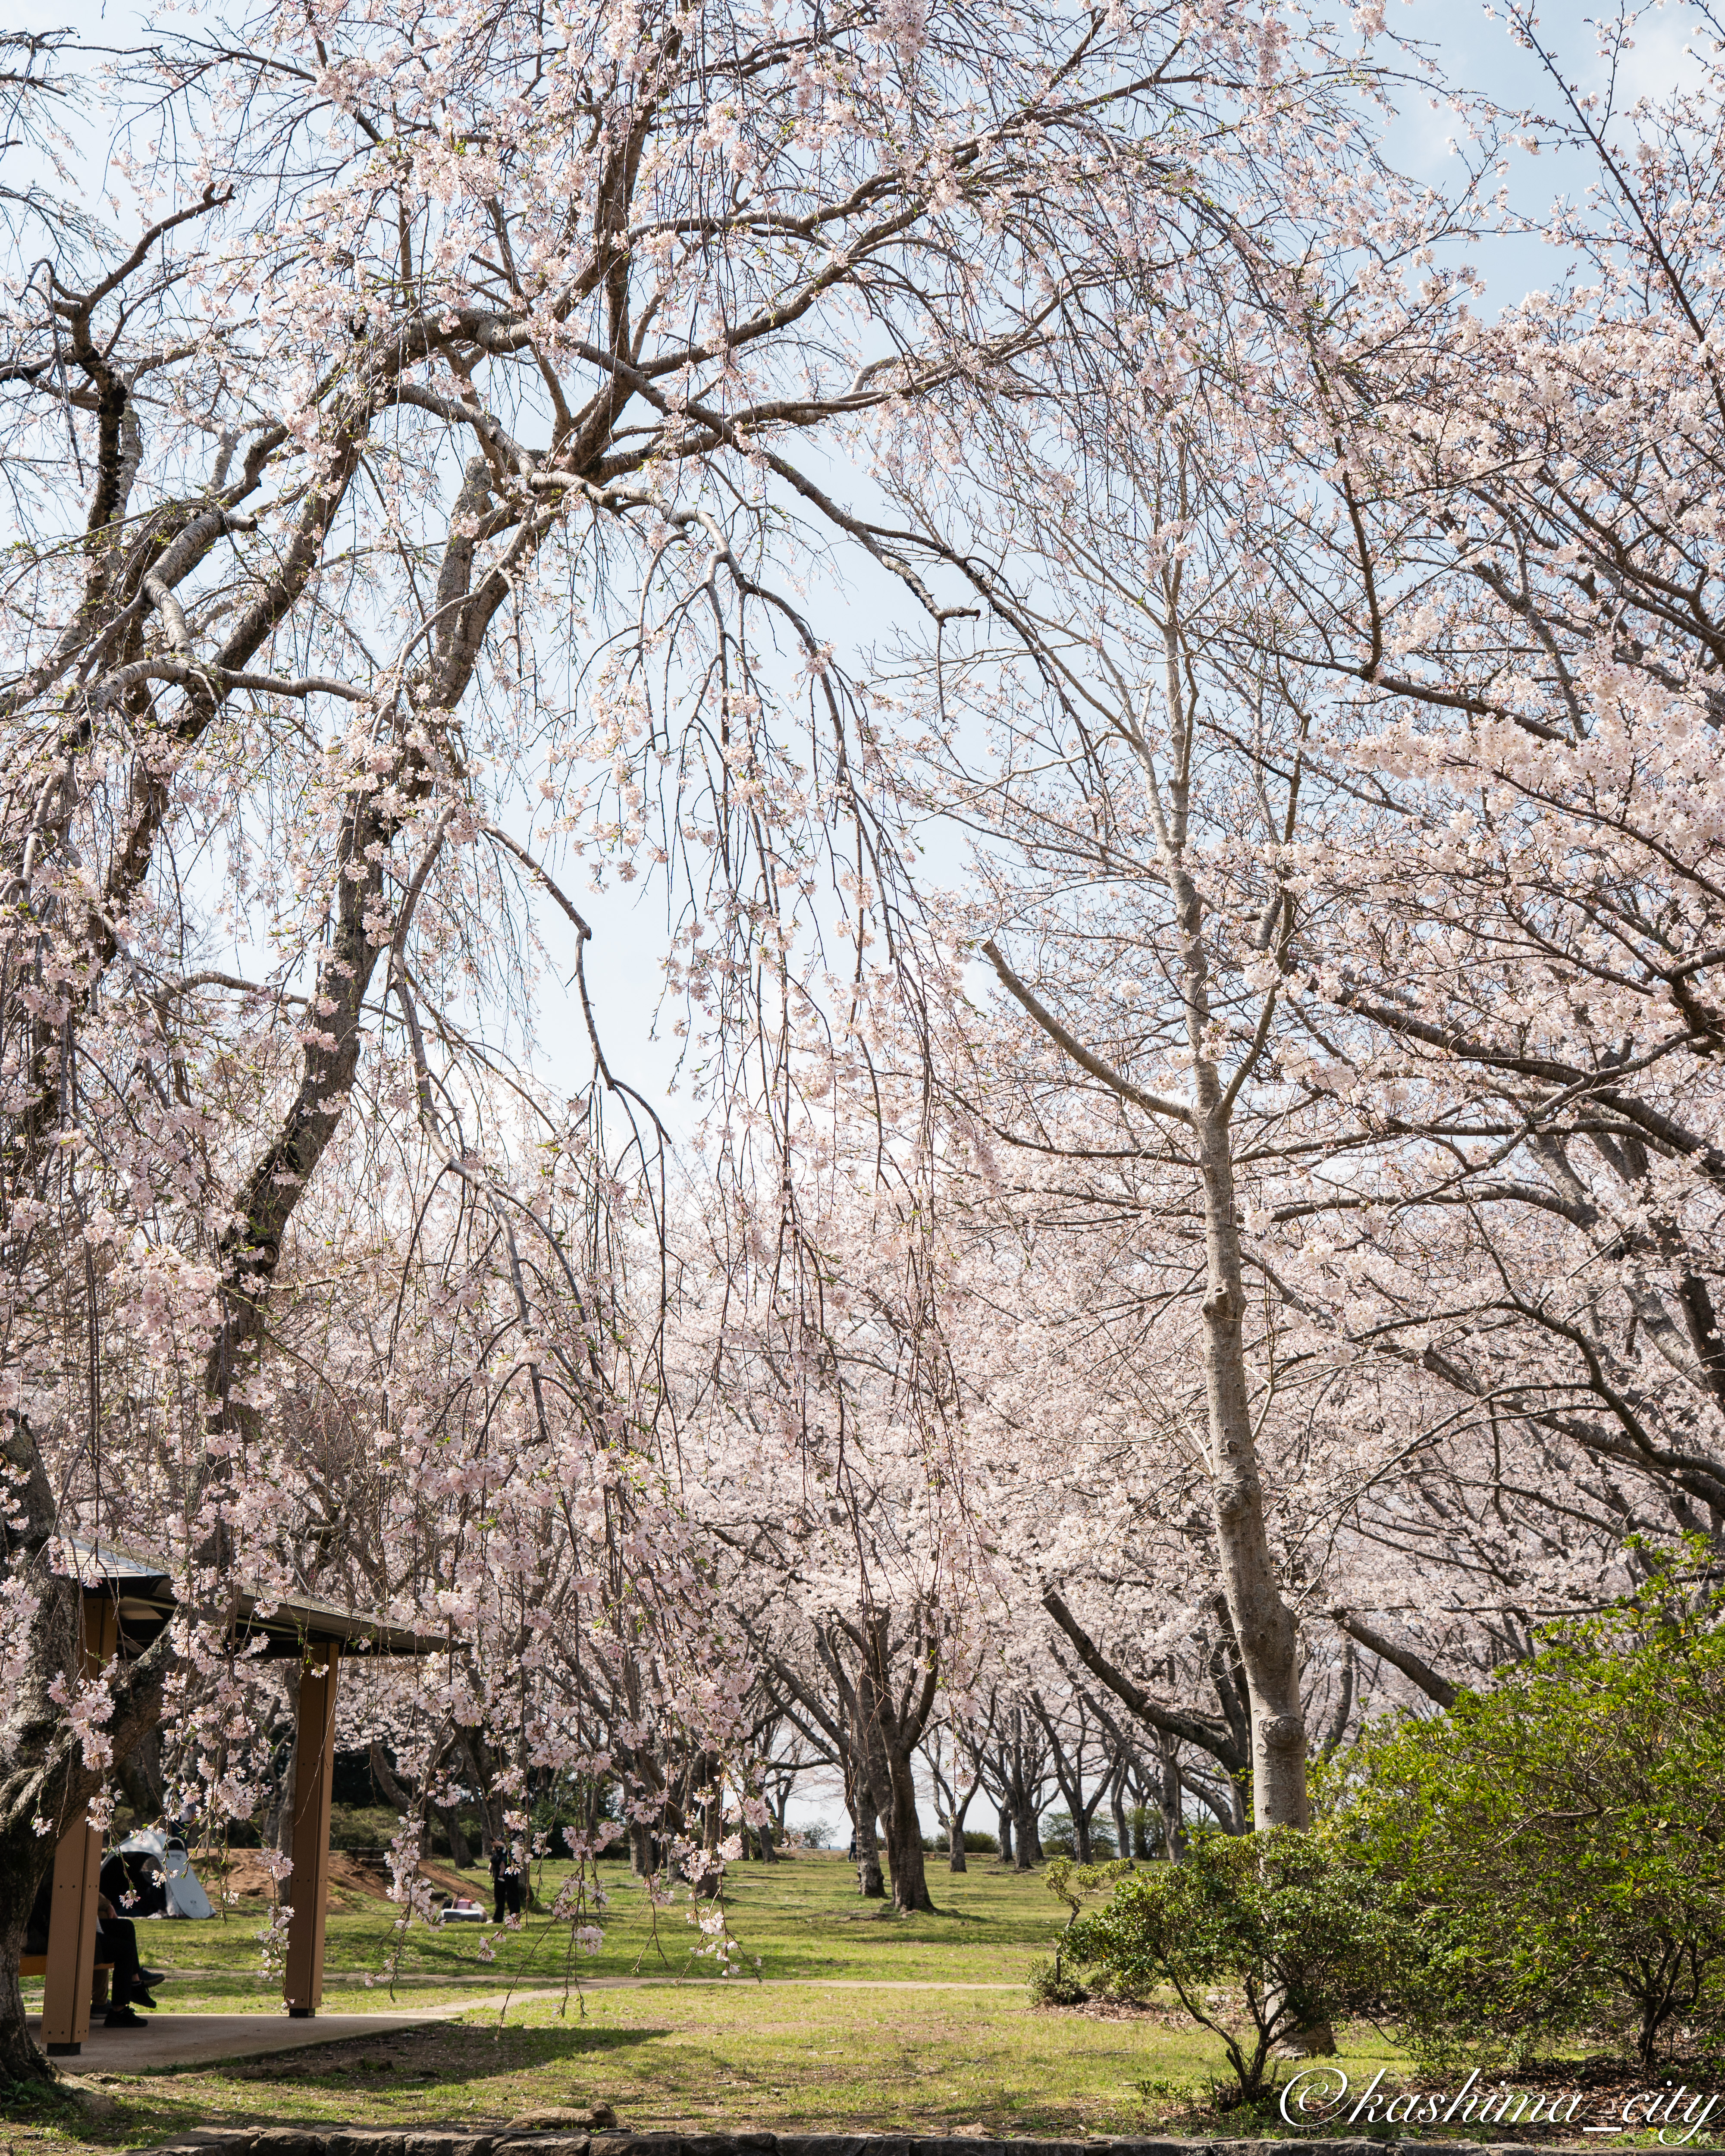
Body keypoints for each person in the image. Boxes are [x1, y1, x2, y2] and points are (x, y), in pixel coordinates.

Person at [25, 1864, 163, 2028]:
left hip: (74, 1928)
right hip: (58, 1933)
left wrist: (101, 1903)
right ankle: (119, 2011)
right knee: (125, 1950)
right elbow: (57, 1888)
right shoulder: (60, 1860)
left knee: (126, 1927)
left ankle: (134, 1983)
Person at [489, 1839, 524, 1923]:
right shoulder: (503, 1834)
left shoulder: (518, 1835)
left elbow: (520, 1849)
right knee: (499, 1894)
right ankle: (497, 1918)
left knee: (512, 1894)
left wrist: (502, 1845)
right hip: (500, 1867)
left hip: (511, 1867)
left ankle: (514, 1918)